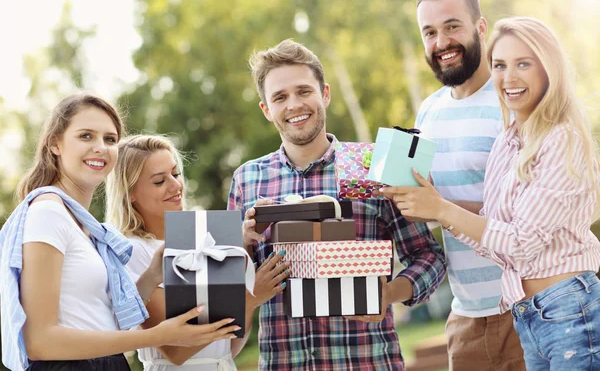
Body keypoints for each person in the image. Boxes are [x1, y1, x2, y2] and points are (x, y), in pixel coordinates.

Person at [381, 17, 600, 370]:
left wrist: (442, 209)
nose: (508, 77)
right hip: (529, 316)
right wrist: (436, 208)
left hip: (570, 309)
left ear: (549, 69)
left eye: (523, 64)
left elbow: (521, 242)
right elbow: (495, 237)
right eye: (500, 65)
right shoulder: (508, 142)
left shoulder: (562, 139)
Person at [227, 39, 447, 371]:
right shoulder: (246, 180)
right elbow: (227, 283)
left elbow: (429, 256)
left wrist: (387, 294)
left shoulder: (377, 165)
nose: (294, 105)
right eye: (280, 97)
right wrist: (240, 245)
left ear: (325, 94)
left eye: (304, 91)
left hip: (368, 361)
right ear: (266, 109)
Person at [0, 94, 241, 371]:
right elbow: (39, 342)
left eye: (110, 139)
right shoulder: (48, 213)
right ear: (55, 143)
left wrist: (151, 275)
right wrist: (157, 336)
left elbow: (97, 318)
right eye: (86, 136)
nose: (100, 148)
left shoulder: (82, 224)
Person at [413, 0, 525, 370]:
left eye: (452, 26)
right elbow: (426, 203)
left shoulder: (512, 102)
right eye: (430, 32)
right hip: (465, 318)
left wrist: (440, 207)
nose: (441, 41)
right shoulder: (427, 112)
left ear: (481, 28)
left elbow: (533, 215)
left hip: (526, 307)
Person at [105, 134, 289, 370]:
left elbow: (226, 350)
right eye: (160, 181)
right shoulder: (134, 252)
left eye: (175, 173)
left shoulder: (203, 242)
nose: (175, 185)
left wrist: (249, 300)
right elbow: (176, 352)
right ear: (130, 194)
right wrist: (248, 299)